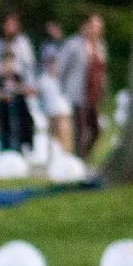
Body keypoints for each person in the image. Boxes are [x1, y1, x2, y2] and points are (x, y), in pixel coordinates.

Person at [55, 14, 106, 160]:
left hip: (94, 95)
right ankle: (79, 160)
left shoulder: (101, 46)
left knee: (96, 129)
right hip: (78, 93)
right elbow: (62, 67)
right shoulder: (74, 44)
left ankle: (84, 157)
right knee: (80, 130)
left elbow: (102, 71)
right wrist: (63, 87)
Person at [0, 13, 36, 154]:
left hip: (18, 84)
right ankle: (4, 148)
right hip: (1, 84)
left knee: (20, 117)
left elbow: (29, 66)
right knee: (2, 118)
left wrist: (29, 85)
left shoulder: (22, 43)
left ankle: (20, 147)